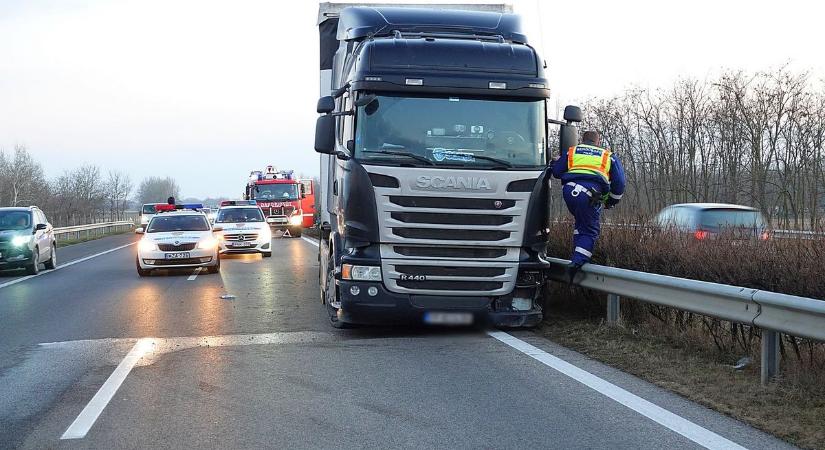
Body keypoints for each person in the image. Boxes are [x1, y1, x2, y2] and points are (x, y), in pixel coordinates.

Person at [551, 130, 626, 282]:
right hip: (590, 195)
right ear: (598, 142)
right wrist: (611, 201)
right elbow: (619, 184)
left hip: (569, 191)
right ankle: (577, 264)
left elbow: (557, 172)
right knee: (590, 231)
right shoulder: (608, 156)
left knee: (581, 224)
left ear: (582, 140)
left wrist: (555, 161)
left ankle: (577, 255)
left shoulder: (572, 151)